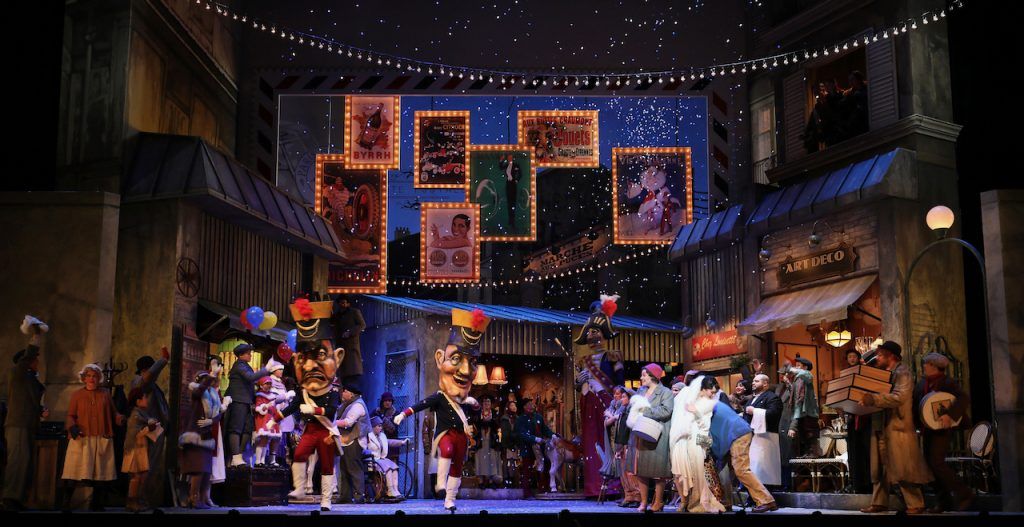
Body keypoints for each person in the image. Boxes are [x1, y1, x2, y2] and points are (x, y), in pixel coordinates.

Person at [393, 308, 490, 511]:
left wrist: (475, 406)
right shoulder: (439, 397)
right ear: (440, 359)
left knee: (458, 466)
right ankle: (440, 483)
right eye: (455, 359)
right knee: (446, 450)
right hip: (445, 434)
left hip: (461, 436)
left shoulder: (466, 401)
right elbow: (422, 404)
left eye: (472, 362)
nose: (465, 371)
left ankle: (450, 499)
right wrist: (404, 413)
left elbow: (475, 418)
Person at [858, 341, 932, 514]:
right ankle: (879, 502)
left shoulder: (902, 373)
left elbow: (900, 397)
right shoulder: (884, 373)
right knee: (880, 468)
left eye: (880, 355)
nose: (877, 358)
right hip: (881, 424)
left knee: (903, 466)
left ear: (891, 356)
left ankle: (916, 503)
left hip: (897, 426)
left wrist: (873, 399)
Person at [272, 339, 343, 511]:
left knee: (326, 465)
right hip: (310, 429)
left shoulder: (332, 391)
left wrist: (313, 409)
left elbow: (331, 411)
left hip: (326, 431)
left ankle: (326, 500)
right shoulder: (304, 391)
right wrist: (274, 419)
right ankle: (299, 488)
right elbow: (292, 406)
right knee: (299, 454)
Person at [573, 294, 625, 497]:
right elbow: (579, 387)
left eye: (596, 332)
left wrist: (617, 405)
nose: (592, 337)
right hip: (589, 405)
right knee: (591, 444)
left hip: (607, 404)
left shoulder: (613, 356)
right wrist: (579, 382)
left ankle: (613, 486)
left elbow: (619, 383)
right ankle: (593, 487)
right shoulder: (582, 361)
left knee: (609, 444)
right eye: (589, 333)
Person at [914, 352, 973, 513]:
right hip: (927, 429)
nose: (924, 366)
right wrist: (916, 425)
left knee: (937, 463)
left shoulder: (948, 382)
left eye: (926, 364)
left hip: (942, 429)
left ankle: (964, 493)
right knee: (930, 465)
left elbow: (963, 398)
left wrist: (949, 414)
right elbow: (916, 404)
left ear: (933, 366)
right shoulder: (922, 383)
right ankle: (944, 501)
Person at [708, 377, 778, 513]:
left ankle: (766, 500)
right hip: (730, 436)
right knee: (720, 469)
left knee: (741, 469)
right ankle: (725, 502)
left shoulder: (715, 400)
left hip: (737, 434)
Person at [61, 363, 124, 511]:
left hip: (101, 437)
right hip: (82, 438)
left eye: (95, 376)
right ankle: (66, 503)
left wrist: (120, 418)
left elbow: (113, 412)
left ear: (99, 378)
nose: (91, 379)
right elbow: (71, 415)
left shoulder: (105, 394)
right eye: (88, 376)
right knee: (74, 470)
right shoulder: (77, 395)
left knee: (100, 471)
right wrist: (72, 427)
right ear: (84, 378)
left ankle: (96, 503)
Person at [3, 316, 49, 511]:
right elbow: (29, 354)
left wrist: (41, 411)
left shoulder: (30, 379)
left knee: (26, 463)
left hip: (28, 424)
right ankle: (10, 497)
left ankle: (19, 498)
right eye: (35, 359)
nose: (37, 361)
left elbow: (31, 400)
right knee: (18, 461)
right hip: (18, 424)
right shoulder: (18, 374)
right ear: (26, 362)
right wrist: (36, 334)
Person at [669, 375, 724, 513]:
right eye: (711, 392)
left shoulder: (709, 404)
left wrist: (697, 413)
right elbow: (677, 418)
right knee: (680, 472)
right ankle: (684, 500)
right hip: (681, 438)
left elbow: (706, 426)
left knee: (698, 471)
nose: (713, 395)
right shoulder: (685, 395)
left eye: (714, 393)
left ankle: (697, 501)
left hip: (699, 439)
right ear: (703, 388)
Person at [625, 363, 673, 512]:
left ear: (653, 376)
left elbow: (666, 410)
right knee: (640, 470)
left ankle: (658, 502)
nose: (641, 378)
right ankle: (644, 502)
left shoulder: (665, 392)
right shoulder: (641, 391)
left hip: (655, 435)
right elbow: (631, 407)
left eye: (644, 375)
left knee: (658, 471)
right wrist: (633, 408)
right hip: (639, 434)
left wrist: (645, 411)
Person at [179, 367, 229, 509]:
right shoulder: (196, 392)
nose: (209, 383)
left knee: (206, 470)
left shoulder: (212, 395)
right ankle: (193, 498)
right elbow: (200, 389)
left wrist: (211, 421)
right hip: (194, 435)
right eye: (206, 380)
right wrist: (211, 375)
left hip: (206, 435)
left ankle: (201, 498)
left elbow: (218, 413)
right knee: (198, 468)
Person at [128, 347, 170, 508]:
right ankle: (136, 499)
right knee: (141, 469)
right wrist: (163, 361)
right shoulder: (140, 382)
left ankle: (142, 499)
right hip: (145, 431)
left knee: (148, 468)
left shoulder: (153, 387)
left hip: (154, 430)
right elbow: (148, 377)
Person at [224, 343, 270, 467]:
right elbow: (250, 377)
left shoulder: (245, 366)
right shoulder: (239, 365)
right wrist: (266, 369)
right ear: (241, 355)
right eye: (248, 353)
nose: (250, 355)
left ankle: (239, 455)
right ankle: (235, 456)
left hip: (247, 401)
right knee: (236, 428)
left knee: (247, 429)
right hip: (238, 400)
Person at [122, 386, 162, 512]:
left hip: (142, 449)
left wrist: (152, 426)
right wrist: (148, 429)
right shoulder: (135, 415)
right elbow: (135, 434)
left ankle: (138, 500)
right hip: (134, 449)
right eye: (144, 397)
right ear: (138, 401)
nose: (147, 400)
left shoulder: (143, 414)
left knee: (143, 476)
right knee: (136, 477)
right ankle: (131, 502)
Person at [744, 374, 782, 487]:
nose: (753, 383)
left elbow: (774, 414)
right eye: (753, 381)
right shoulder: (751, 399)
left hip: (766, 437)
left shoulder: (772, 397)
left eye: (756, 381)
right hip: (752, 437)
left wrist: (755, 411)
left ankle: (765, 493)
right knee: (753, 467)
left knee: (763, 468)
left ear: (765, 383)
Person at [335, 382, 370, 504]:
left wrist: (333, 423)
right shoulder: (347, 404)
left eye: (345, 391)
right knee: (344, 469)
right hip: (345, 441)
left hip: (355, 441)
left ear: (351, 394)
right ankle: (345, 496)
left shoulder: (358, 405)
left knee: (354, 469)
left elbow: (348, 422)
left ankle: (359, 496)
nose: (342, 393)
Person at [843, 349, 872, 493]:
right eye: (849, 357)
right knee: (853, 451)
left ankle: (868, 482)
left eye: (854, 356)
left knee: (866, 450)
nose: (852, 359)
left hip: (865, 416)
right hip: (852, 416)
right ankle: (856, 483)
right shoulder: (845, 374)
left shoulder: (864, 372)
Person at [514, 397, 554, 499]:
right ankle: (527, 493)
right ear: (524, 407)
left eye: (531, 404)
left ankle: (544, 489)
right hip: (527, 448)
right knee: (528, 470)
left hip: (541, 448)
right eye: (529, 404)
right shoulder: (520, 419)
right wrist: (535, 439)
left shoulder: (538, 417)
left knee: (545, 466)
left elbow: (545, 429)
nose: (531, 406)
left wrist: (553, 435)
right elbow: (522, 434)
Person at [612, 387, 641, 508]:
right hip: (622, 445)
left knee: (631, 473)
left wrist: (623, 447)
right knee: (623, 473)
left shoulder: (632, 412)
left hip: (630, 445)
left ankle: (637, 497)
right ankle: (628, 496)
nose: (621, 399)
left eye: (624, 397)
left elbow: (627, 431)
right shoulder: (623, 411)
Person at [367, 416, 407, 503]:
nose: (380, 428)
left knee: (394, 467)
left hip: (381, 459)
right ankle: (390, 490)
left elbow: (389, 442)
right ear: (373, 427)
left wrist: (401, 442)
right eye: (378, 426)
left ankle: (395, 490)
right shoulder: (368, 437)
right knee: (387, 468)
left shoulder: (382, 436)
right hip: (373, 460)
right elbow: (363, 447)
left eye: (381, 426)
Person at [331, 294, 366, 390]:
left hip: (351, 347)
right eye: (340, 303)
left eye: (344, 303)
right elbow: (332, 326)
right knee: (342, 376)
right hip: (340, 346)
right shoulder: (337, 315)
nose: (342, 305)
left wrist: (350, 332)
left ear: (348, 303)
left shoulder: (354, 312)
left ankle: (353, 393)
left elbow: (362, 325)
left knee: (352, 374)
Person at [787, 357, 821, 458]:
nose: (796, 367)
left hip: (809, 411)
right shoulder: (797, 379)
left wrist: (793, 369)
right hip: (800, 411)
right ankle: (806, 454)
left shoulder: (807, 375)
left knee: (811, 435)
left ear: (805, 367)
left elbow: (807, 375)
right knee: (803, 436)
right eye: (796, 365)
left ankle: (813, 454)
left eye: (798, 365)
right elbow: (796, 396)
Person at [268, 358, 295, 468]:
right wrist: (286, 396)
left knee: (278, 437)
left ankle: (273, 459)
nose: (281, 371)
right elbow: (272, 398)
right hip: (273, 412)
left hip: (282, 412)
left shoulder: (281, 383)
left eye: (282, 369)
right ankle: (267, 459)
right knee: (271, 436)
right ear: (274, 370)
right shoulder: (270, 381)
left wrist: (289, 398)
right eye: (279, 369)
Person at [253, 375, 284, 467]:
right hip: (263, 419)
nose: (269, 385)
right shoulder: (260, 395)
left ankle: (262, 461)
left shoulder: (273, 395)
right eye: (266, 384)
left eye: (270, 384)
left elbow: (274, 407)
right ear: (261, 385)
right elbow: (258, 408)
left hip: (271, 418)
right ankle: (258, 461)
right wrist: (266, 406)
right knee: (263, 440)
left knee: (266, 440)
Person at [472, 396, 502, 488]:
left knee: (491, 459)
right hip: (480, 440)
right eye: (485, 402)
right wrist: (482, 421)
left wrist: (491, 421)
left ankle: (491, 481)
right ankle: (481, 481)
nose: (486, 403)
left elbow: (498, 425)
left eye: (488, 401)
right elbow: (474, 423)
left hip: (491, 440)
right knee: (481, 460)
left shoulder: (495, 413)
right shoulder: (478, 413)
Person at [498, 399, 519, 488]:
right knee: (507, 462)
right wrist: (512, 440)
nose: (514, 407)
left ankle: (513, 479)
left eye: (514, 405)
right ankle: (507, 479)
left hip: (515, 444)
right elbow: (506, 432)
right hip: (507, 444)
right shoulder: (505, 418)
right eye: (512, 406)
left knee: (514, 462)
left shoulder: (517, 418)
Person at [499, 154, 522, 229]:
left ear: (513, 158)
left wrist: (516, 180)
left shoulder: (516, 165)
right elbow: (500, 167)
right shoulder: (506, 165)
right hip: (508, 184)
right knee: (509, 203)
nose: (509, 159)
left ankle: (513, 222)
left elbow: (520, 174)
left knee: (513, 203)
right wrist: (501, 160)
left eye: (511, 157)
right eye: (508, 158)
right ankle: (510, 221)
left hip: (513, 185)